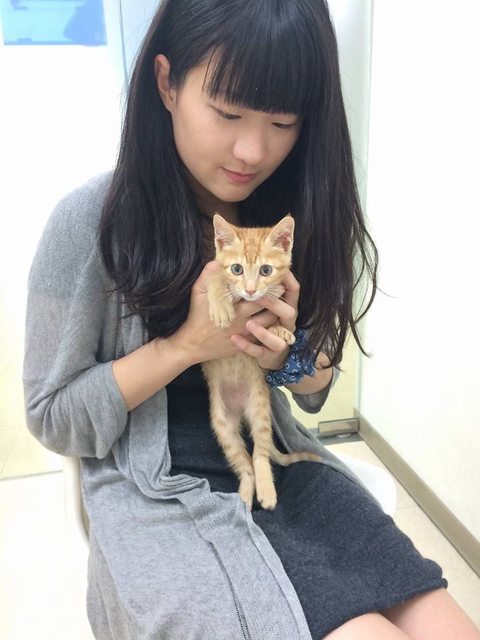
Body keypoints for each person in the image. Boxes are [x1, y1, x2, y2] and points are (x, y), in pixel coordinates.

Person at [22, 1, 480, 638]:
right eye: (228, 112)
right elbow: (51, 415)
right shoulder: (89, 223)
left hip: (279, 461)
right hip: (160, 490)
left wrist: (286, 358)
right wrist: (184, 346)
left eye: (283, 121)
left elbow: (315, 388)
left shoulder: (288, 211)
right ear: (167, 83)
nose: (253, 150)